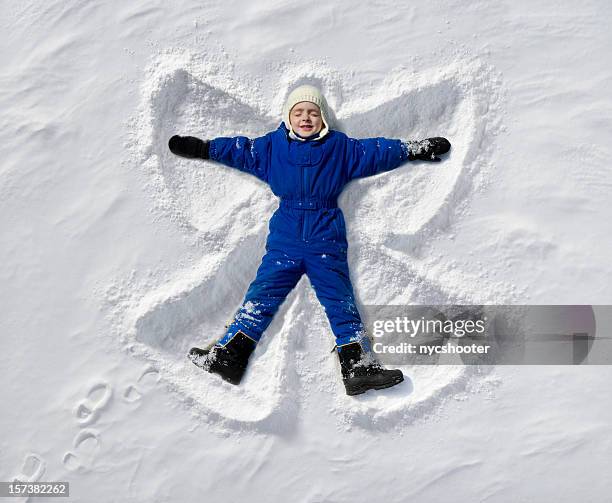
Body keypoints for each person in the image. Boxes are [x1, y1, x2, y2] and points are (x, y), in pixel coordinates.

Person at [168, 84, 450, 395]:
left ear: (323, 119)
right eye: (299, 112)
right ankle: (228, 357)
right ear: (288, 118)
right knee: (262, 294)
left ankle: (359, 367)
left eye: (313, 113)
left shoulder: (340, 148)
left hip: (324, 237)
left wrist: (413, 149)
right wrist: (203, 148)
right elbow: (239, 150)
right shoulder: (271, 149)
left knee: (339, 300)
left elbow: (376, 152)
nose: (306, 117)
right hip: (286, 236)